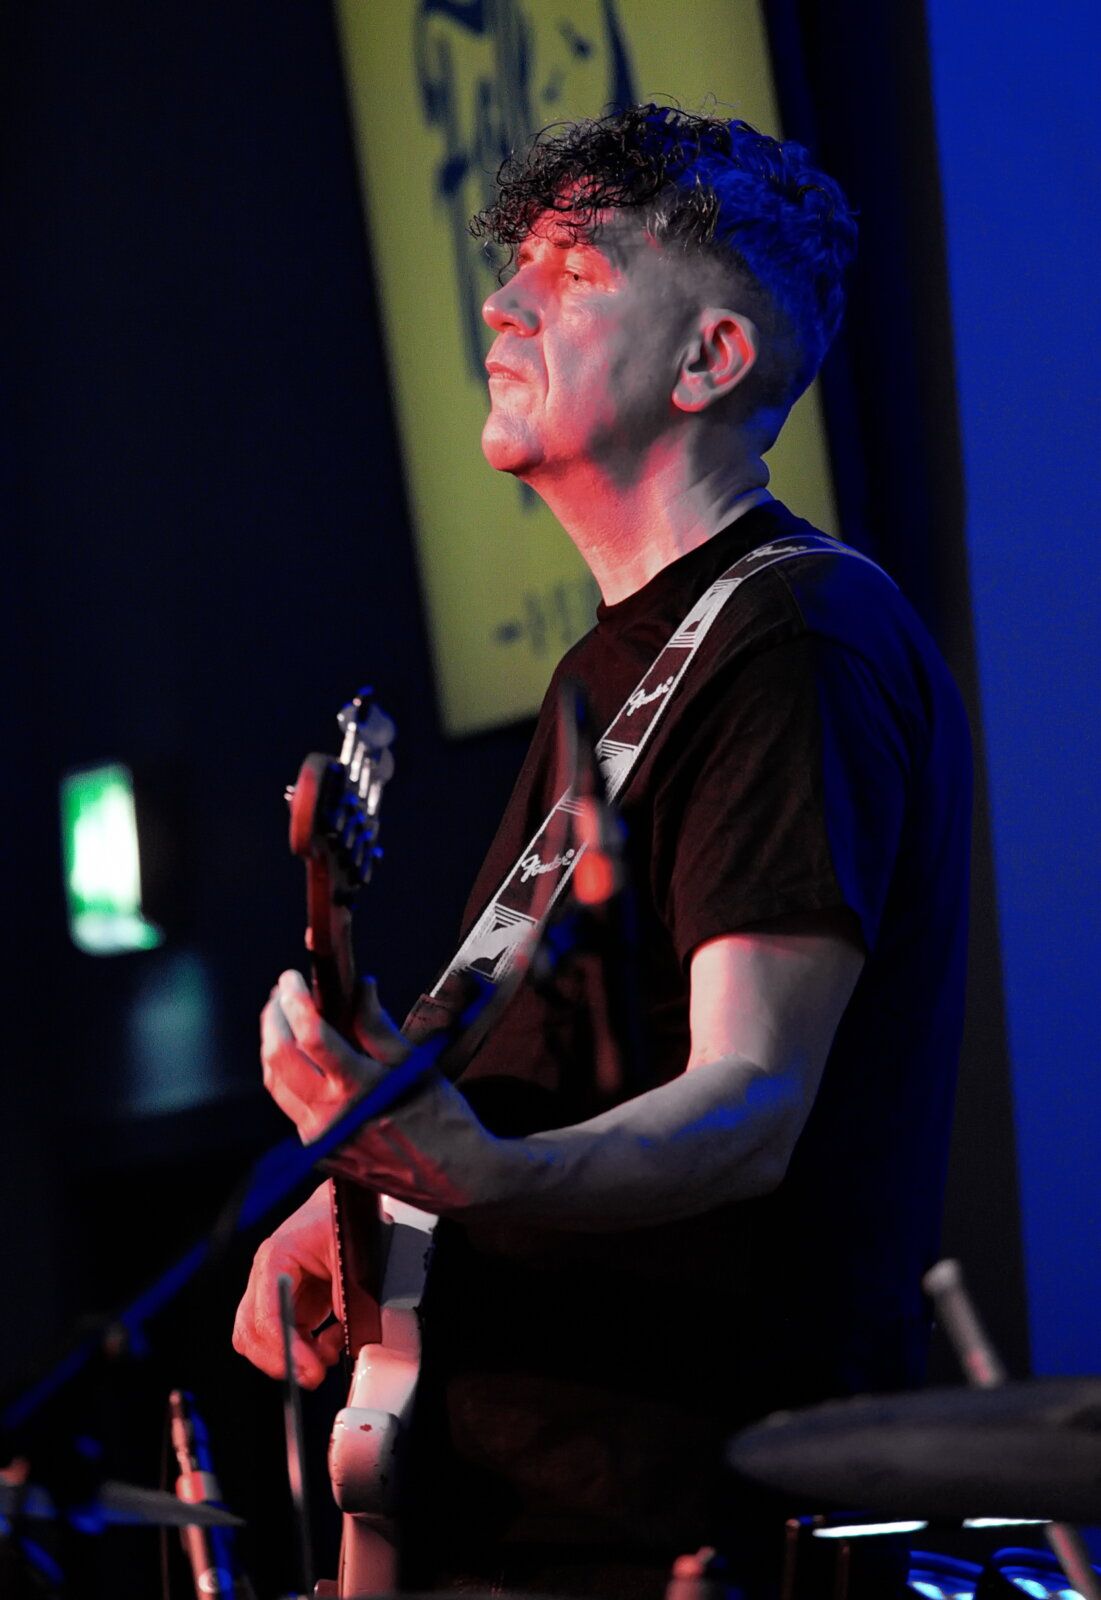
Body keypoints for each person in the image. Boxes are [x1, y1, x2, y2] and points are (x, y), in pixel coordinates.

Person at [233, 105, 971, 1596]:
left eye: (572, 273)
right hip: (521, 1511)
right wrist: (360, 1192)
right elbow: (550, 1060)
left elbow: (749, 1102)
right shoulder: (607, 677)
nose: (499, 304)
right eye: (517, 264)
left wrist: (481, 1174)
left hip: (678, 1527)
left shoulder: (797, 638)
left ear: (709, 360)